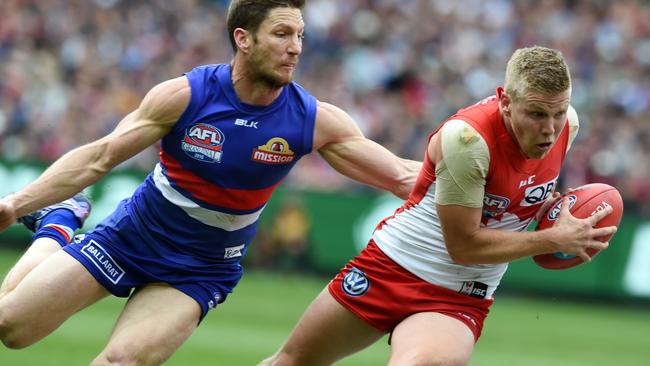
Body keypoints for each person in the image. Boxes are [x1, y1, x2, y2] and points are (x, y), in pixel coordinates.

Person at [0, 1, 421, 364]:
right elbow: (99, 156)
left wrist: (478, 176)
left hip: (201, 269)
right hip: (131, 237)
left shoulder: (312, 120)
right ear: (244, 38)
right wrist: (16, 204)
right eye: (282, 34)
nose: (295, 48)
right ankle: (59, 222)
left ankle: (59, 223)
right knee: (11, 328)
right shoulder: (186, 95)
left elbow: (403, 177)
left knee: (120, 361)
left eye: (300, 35)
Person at [260, 46, 619, 366]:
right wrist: (554, 239)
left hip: (460, 295)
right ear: (505, 102)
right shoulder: (467, 139)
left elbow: (517, 192)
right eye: (537, 114)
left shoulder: (568, 127)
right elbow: (462, 245)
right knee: (291, 362)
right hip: (393, 265)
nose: (550, 129)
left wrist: (547, 211)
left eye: (558, 112)